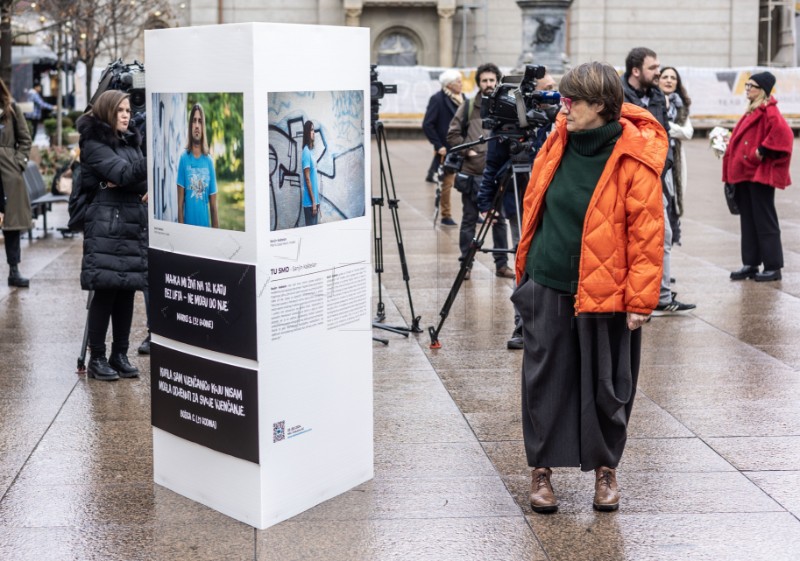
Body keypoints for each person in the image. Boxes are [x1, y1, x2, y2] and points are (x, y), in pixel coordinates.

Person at [512, 61, 667, 514]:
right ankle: (541, 470)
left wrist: (640, 300)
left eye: (571, 100)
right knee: (543, 381)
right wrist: (526, 272)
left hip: (607, 288)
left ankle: (605, 471)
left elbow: (647, 234)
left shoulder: (635, 156)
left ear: (599, 105)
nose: (564, 107)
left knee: (608, 383)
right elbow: (535, 203)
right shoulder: (556, 141)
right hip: (547, 280)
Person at [477, 72, 558, 349]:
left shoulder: (559, 122)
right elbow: (491, 166)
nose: (552, 95)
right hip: (518, 202)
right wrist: (485, 204)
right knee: (523, 261)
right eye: (546, 90)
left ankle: (553, 323)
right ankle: (522, 326)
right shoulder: (509, 126)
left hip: (552, 204)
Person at [76, 90, 148, 381]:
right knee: (105, 290)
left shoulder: (130, 141)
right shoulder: (94, 144)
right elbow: (128, 174)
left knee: (126, 290)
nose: (126, 115)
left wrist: (127, 180)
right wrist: (130, 177)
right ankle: (98, 357)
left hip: (129, 222)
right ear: (107, 111)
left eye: (128, 110)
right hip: (106, 225)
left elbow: (134, 177)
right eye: (120, 110)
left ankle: (120, 354)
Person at [622, 47, 694, 316]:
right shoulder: (619, 96)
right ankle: (630, 297)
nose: (659, 72)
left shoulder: (656, 97)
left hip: (655, 177)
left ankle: (661, 295)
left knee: (663, 235)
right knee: (628, 237)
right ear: (636, 71)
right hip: (628, 180)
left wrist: (662, 169)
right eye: (654, 68)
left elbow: (662, 137)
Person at [446, 63, 513, 280]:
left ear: (497, 81)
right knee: (469, 221)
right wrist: (469, 151)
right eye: (484, 80)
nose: (488, 84)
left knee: (499, 221)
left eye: (492, 80)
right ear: (479, 83)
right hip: (473, 174)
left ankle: (502, 265)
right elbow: (453, 135)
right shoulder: (468, 106)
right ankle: (466, 264)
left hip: (498, 176)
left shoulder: (505, 107)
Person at [723, 71, 792, 282]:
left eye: (751, 86)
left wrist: (762, 150)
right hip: (746, 173)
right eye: (746, 85)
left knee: (764, 219)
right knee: (749, 220)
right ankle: (751, 263)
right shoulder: (752, 110)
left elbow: (784, 134)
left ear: (762, 90)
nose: (747, 89)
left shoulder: (769, 110)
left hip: (758, 174)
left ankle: (773, 266)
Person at [0, 77, 33, 288]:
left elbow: (25, 139)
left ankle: (14, 270)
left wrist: (18, 162)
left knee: (11, 226)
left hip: (9, 174)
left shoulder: (11, 109)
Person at [423, 69, 465, 226]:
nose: (461, 84)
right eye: (458, 81)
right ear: (449, 84)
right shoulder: (437, 99)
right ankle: (446, 215)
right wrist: (438, 145)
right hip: (447, 149)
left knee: (472, 181)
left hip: (464, 147)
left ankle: (475, 211)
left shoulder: (463, 98)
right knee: (446, 185)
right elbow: (428, 124)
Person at [658, 66, 694, 246]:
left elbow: (688, 133)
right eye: (665, 77)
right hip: (659, 159)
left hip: (676, 162)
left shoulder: (681, 106)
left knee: (672, 204)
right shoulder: (653, 103)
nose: (669, 80)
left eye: (673, 78)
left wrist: (667, 127)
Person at [177, 103, 219, 228]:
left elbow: (213, 207)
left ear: (203, 127)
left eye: (200, 121)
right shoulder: (183, 159)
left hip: (205, 229)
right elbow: (180, 205)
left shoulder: (209, 162)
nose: (196, 125)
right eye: (194, 121)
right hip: (188, 232)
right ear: (190, 126)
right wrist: (181, 232)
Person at [301, 120, 321, 226]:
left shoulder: (311, 152)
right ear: (307, 132)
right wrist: (313, 201)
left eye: (314, 130)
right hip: (309, 204)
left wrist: (317, 201)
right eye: (312, 130)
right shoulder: (305, 152)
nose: (314, 132)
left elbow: (314, 179)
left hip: (314, 203)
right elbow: (307, 179)